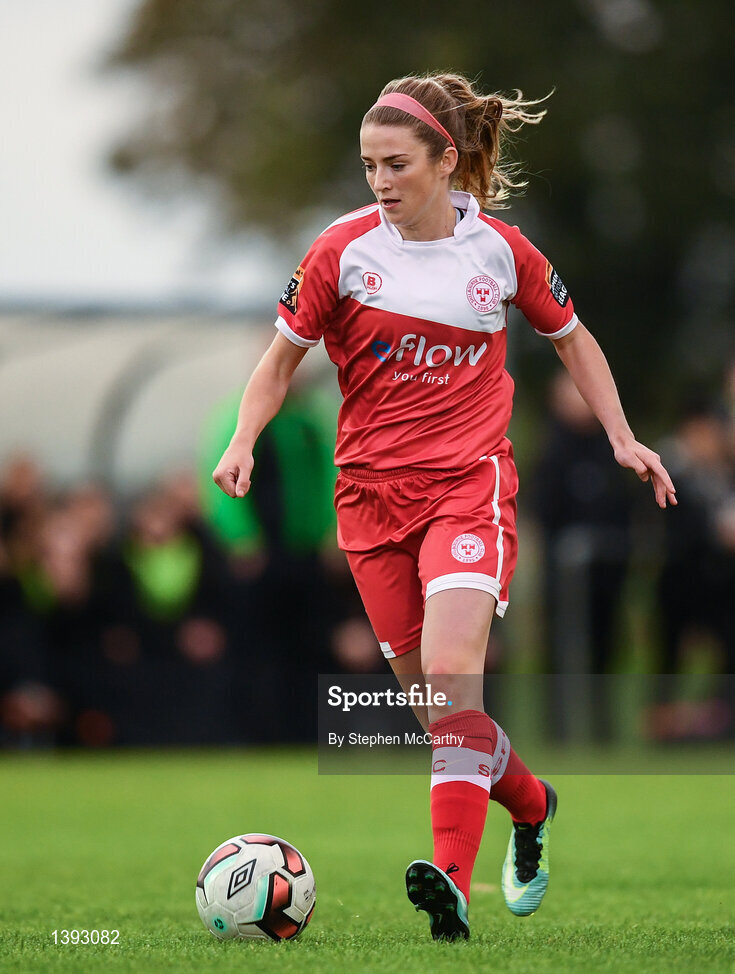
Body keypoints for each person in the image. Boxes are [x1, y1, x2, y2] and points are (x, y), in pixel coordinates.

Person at [213, 72, 676, 941]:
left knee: (457, 678)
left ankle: (450, 890)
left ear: (445, 162)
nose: (379, 183)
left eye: (395, 164)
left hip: (469, 488)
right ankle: (532, 807)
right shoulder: (339, 252)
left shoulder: (499, 251)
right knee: (442, 719)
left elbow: (572, 340)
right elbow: (279, 363)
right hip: (369, 504)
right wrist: (242, 441)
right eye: (367, 167)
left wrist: (621, 436)